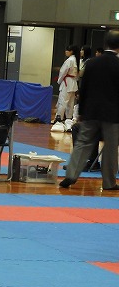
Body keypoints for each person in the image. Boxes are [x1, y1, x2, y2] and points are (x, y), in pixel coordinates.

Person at [59, 30, 119, 191]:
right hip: (112, 114)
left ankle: (71, 174)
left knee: (83, 143)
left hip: (91, 112)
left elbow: (83, 89)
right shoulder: (117, 64)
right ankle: (109, 182)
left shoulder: (91, 63)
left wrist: (81, 112)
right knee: (110, 148)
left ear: (105, 44)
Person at [53, 44, 79, 125]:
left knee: (63, 101)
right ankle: (68, 120)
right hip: (73, 82)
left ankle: (59, 118)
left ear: (71, 51)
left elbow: (63, 72)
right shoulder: (76, 60)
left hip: (67, 82)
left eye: (67, 50)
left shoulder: (69, 60)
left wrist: (59, 80)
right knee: (71, 103)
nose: (66, 52)